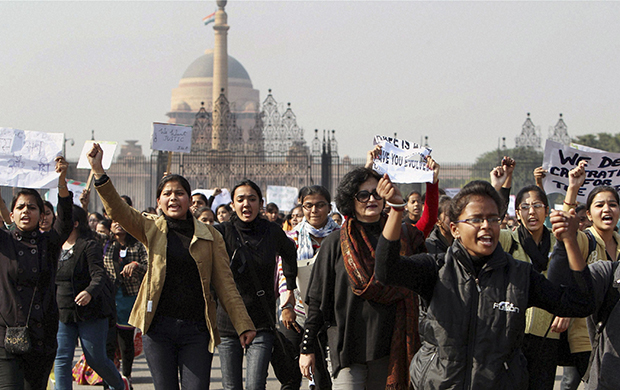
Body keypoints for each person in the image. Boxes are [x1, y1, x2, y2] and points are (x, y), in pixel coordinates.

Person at [373, 175, 595, 389]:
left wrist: (570, 241)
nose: (486, 226)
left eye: (493, 219)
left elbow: (579, 303)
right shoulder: (436, 269)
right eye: (476, 219)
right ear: (455, 229)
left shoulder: (520, 275)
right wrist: (396, 209)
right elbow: (386, 270)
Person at [87, 143, 256, 390]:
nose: (173, 198)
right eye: (167, 194)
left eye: (179, 193)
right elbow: (119, 211)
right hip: (158, 328)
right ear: (159, 201)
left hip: (196, 329)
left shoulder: (210, 236)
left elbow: (226, 286)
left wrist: (243, 324)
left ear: (190, 200)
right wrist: (99, 172)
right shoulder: (151, 227)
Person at [300, 167, 426, 390]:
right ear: (351, 199)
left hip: (390, 348)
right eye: (363, 195)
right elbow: (317, 301)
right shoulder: (335, 243)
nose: (371, 199)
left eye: (377, 193)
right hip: (347, 347)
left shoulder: (403, 238)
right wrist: (306, 348)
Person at [215, 179, 298, 390]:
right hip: (228, 320)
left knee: (255, 385)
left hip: (261, 319)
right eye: (240, 199)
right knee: (231, 386)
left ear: (260, 203)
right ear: (232, 204)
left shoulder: (272, 231)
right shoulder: (222, 233)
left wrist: (289, 288)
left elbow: (290, 253)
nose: (246, 204)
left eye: (252, 199)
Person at [0, 156, 74, 389]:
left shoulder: (49, 243)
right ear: (10, 215)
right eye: (20, 207)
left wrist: (61, 181)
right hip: (4, 337)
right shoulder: (3, 242)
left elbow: (65, 220)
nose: (25, 211)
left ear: (41, 216)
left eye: (32, 207)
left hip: (41, 338)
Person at [552, 161, 620, 390]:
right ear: (588, 214)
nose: (607, 209)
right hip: (583, 335)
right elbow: (564, 234)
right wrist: (572, 188)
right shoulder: (584, 239)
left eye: (612, 204)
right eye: (600, 205)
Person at [54, 205, 125, 390]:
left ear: (75, 223)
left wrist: (89, 292)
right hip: (63, 312)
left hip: (91, 312)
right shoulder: (55, 245)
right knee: (62, 358)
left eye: (62, 218)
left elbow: (99, 274)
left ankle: (118, 385)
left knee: (96, 359)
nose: (57, 222)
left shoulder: (89, 244)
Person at [277, 186, 340, 390]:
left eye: (320, 205)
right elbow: (283, 274)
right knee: (291, 374)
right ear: (301, 207)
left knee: (324, 376)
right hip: (298, 312)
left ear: (329, 208)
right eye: (308, 205)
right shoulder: (290, 238)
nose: (314, 210)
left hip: (331, 315)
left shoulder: (342, 237)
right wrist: (286, 306)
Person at [498, 184, 559, 390]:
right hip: (513, 334)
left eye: (537, 205)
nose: (531, 212)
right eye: (525, 207)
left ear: (547, 210)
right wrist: (500, 187)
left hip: (547, 335)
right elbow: (488, 228)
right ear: (517, 213)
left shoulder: (557, 243)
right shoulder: (509, 240)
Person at [103, 218, 148, 384]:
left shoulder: (137, 245)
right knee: (108, 341)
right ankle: (109, 378)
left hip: (128, 298)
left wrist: (135, 265)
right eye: (114, 221)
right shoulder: (105, 245)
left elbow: (149, 265)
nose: (117, 223)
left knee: (125, 340)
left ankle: (126, 376)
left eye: (121, 220)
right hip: (108, 297)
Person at [365, 145, 441, 238]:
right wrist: (368, 169)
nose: (390, 214)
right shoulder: (351, 233)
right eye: (387, 210)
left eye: (395, 208)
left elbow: (428, 220)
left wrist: (432, 182)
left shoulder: (406, 235)